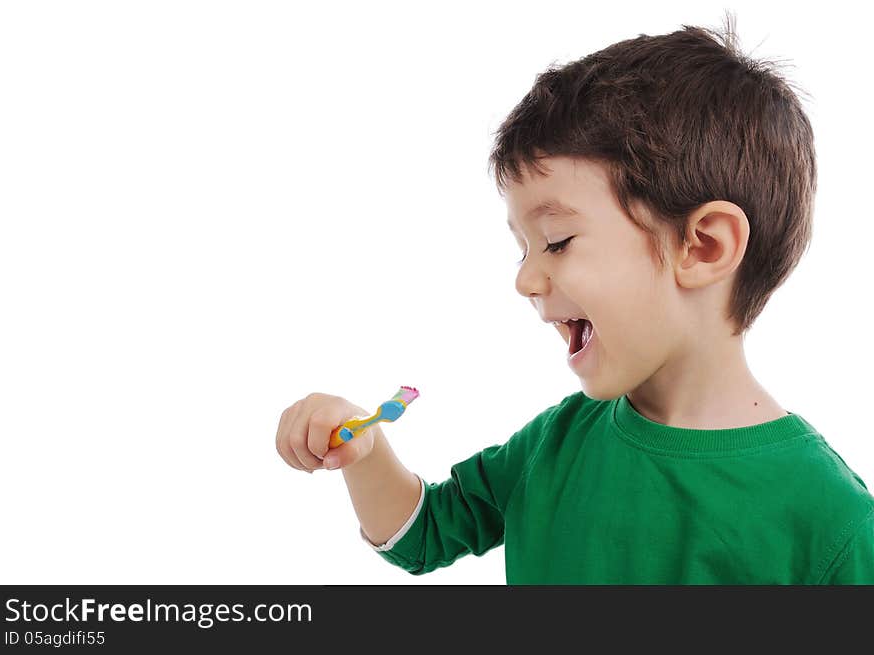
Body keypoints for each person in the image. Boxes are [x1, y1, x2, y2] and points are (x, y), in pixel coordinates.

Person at [275, 16, 873, 584]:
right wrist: (366, 451)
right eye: (523, 248)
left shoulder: (833, 524)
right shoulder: (557, 442)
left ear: (704, 247)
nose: (526, 279)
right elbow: (423, 533)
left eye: (557, 242)